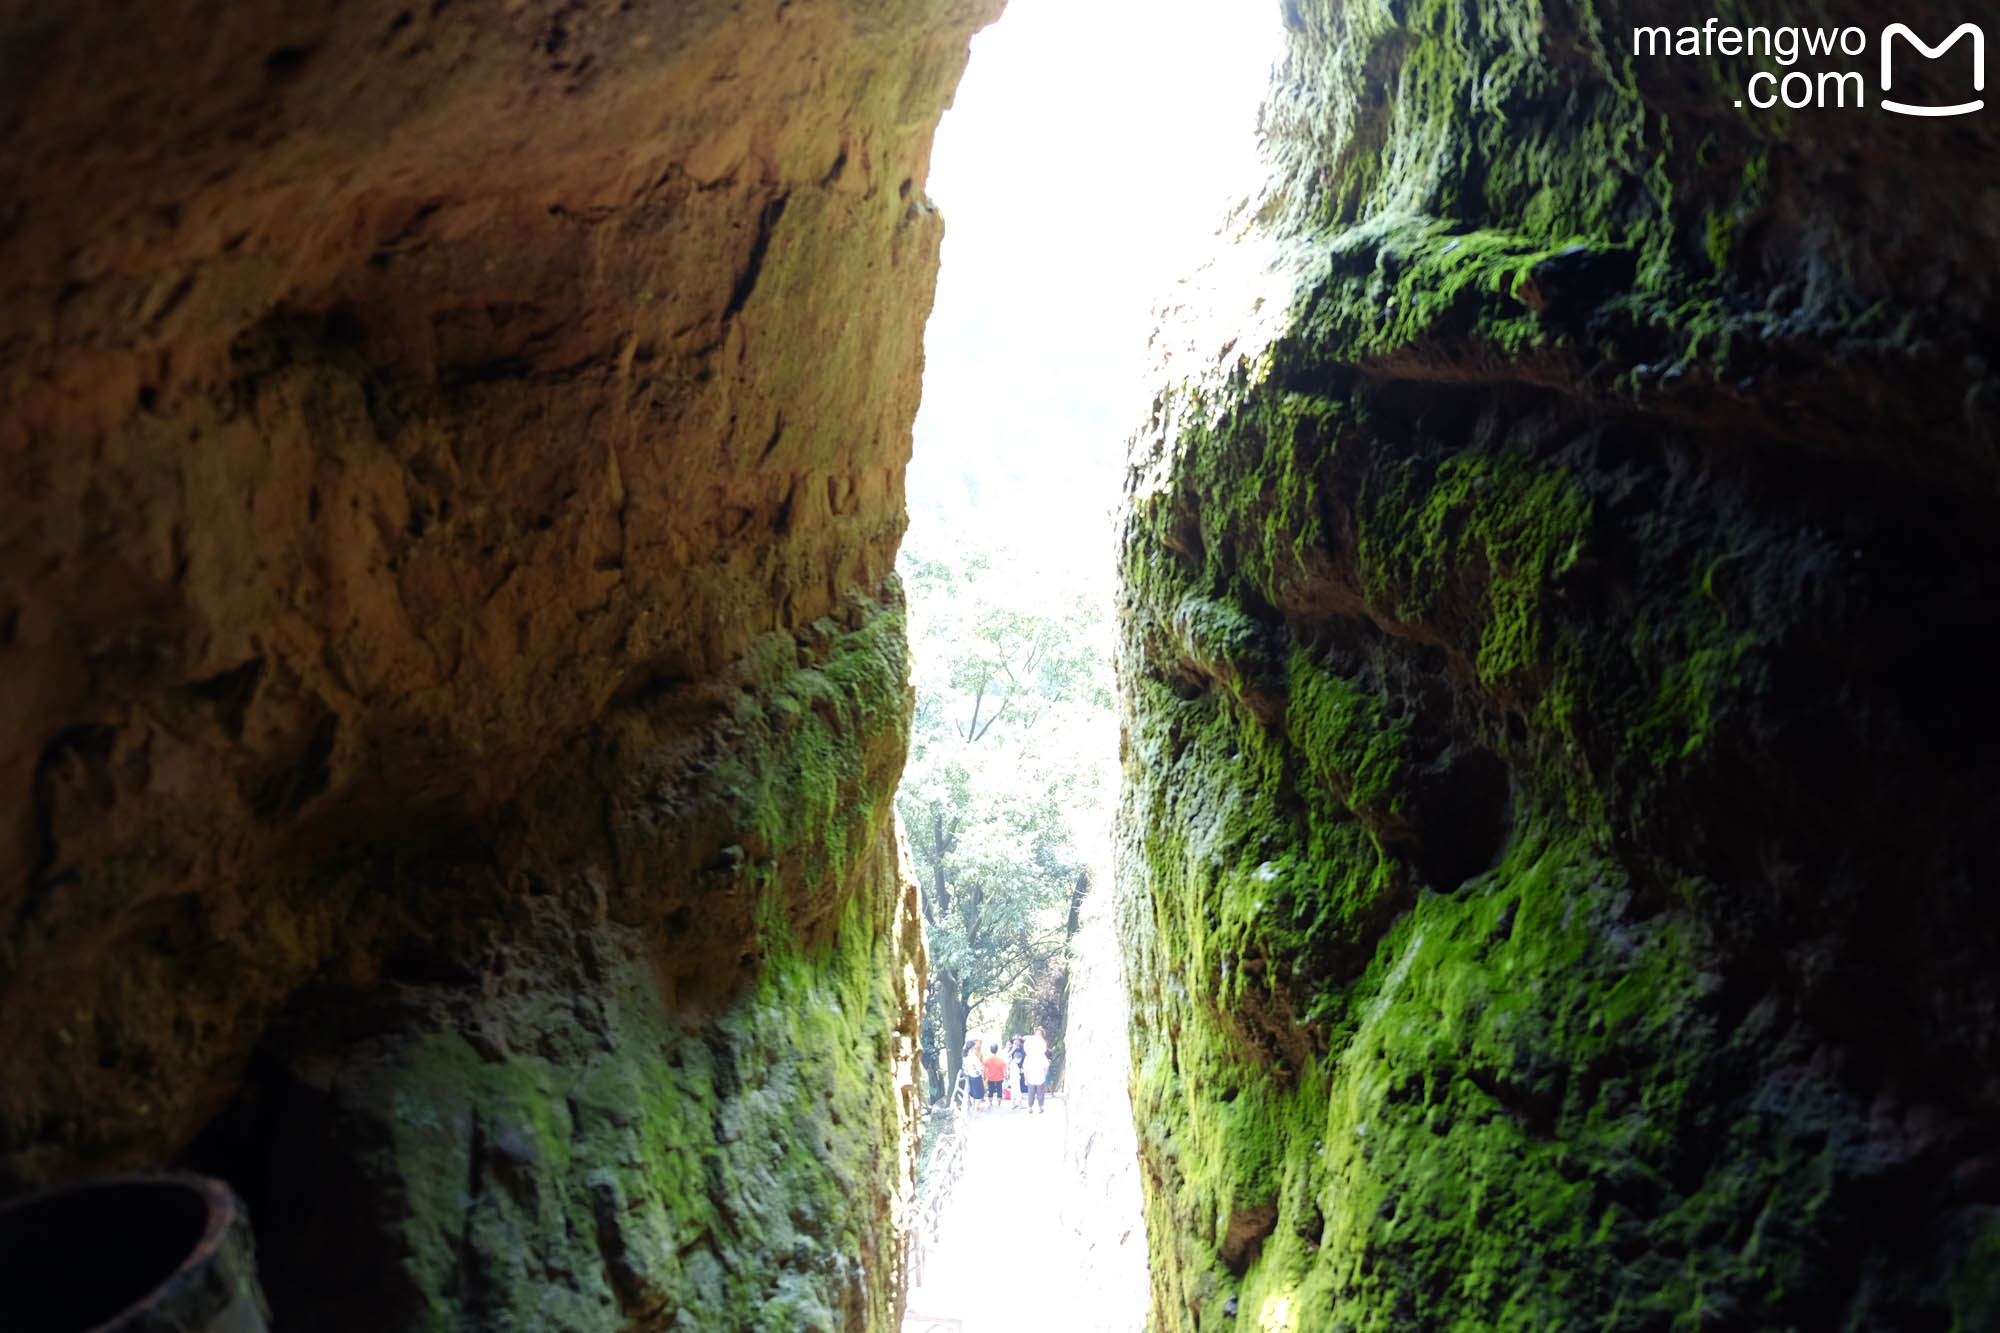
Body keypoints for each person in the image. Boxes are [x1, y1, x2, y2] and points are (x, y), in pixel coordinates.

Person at [1022, 1028, 1051, 1114]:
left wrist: (1044, 1076)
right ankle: (1033, 1107)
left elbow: (1046, 1067)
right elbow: (1025, 1069)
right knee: (1034, 1093)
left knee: (1037, 1093)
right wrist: (1026, 1078)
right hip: (1035, 1076)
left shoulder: (1040, 1056)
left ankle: (1038, 1107)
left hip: (1038, 1077)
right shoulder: (1033, 1056)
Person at [962, 1039, 985, 1113]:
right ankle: (976, 1108)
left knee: (972, 1093)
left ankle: (973, 1107)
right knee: (980, 1093)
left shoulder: (964, 1056)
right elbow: (978, 1066)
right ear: (972, 1047)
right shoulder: (973, 1056)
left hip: (970, 1075)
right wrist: (981, 1069)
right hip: (976, 1076)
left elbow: (965, 1067)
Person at [981, 1042, 1008, 1107]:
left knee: (990, 1091)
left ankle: (990, 1103)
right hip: (999, 1078)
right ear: (997, 1050)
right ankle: (999, 1104)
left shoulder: (986, 1060)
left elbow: (984, 1070)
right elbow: (1004, 1070)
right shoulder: (1001, 1060)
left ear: (990, 1050)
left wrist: (984, 1077)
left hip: (990, 1078)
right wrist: (1006, 1076)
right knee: (999, 1091)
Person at [1008, 1036, 1027, 1108]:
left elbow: (1025, 1057)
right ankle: (1017, 1103)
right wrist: (1013, 1049)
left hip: (1021, 1068)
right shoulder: (1011, 1048)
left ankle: (1018, 1102)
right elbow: (1008, 1056)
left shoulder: (1023, 1049)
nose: (1016, 1042)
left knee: (1020, 1087)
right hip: (1014, 1070)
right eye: (1015, 1040)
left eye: (1018, 1040)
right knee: (1016, 1089)